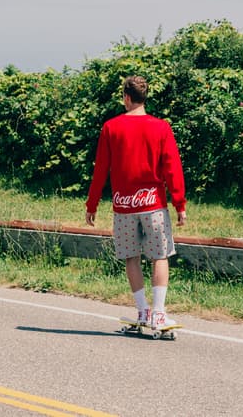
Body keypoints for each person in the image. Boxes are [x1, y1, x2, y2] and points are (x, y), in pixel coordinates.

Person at [85, 75, 186, 331]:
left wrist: (92, 204)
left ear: (127, 98)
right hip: (153, 203)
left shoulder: (111, 127)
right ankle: (160, 315)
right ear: (144, 97)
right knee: (159, 256)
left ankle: (142, 311)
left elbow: (101, 171)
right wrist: (179, 204)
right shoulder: (161, 127)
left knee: (131, 256)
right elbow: (172, 168)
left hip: (124, 206)